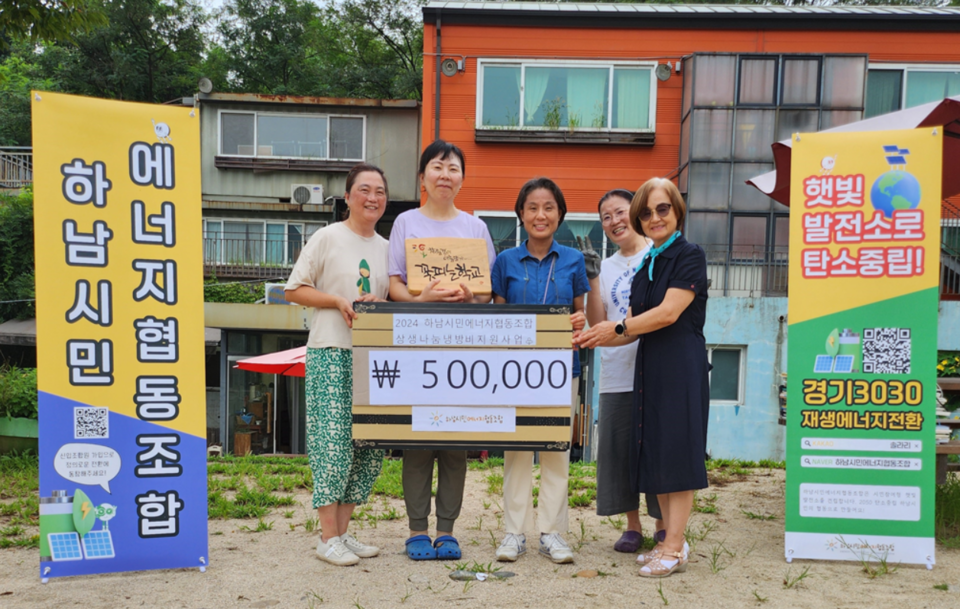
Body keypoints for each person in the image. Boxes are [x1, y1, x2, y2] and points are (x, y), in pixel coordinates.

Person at [575, 177, 709, 578]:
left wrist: (615, 328)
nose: (655, 217)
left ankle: (673, 544)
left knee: (677, 456)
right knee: (659, 456)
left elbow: (667, 313)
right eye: (647, 212)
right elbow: (630, 329)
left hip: (680, 367)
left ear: (677, 210)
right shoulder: (648, 265)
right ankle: (669, 544)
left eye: (662, 209)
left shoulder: (689, 254)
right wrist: (592, 336)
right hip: (650, 368)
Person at [388, 139, 496, 561]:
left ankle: (447, 530)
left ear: (462, 180)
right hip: (417, 347)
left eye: (453, 169)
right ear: (422, 177)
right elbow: (394, 284)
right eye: (437, 167)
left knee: (454, 443)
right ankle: (417, 530)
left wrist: (472, 296)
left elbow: (487, 294)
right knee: (417, 443)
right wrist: (421, 300)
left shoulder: (475, 228)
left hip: (462, 351)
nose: (445, 175)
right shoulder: (406, 223)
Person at [284, 163, 391, 566]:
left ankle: (343, 534)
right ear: (347, 197)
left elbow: (393, 297)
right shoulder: (328, 237)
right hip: (331, 349)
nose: (372, 197)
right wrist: (336, 300)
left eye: (379, 191)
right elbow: (294, 289)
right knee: (333, 444)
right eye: (364, 189)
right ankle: (327, 537)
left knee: (368, 447)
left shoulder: (387, 248)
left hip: (373, 356)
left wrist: (380, 304)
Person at [491, 177, 589, 564]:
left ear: (560, 214)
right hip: (514, 371)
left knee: (556, 450)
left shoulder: (574, 260)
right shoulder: (505, 261)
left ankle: (552, 533)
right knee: (516, 452)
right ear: (520, 213)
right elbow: (498, 316)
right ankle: (514, 533)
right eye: (532, 207)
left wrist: (579, 320)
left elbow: (580, 313)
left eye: (549, 207)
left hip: (562, 369)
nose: (540, 214)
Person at [581, 189, 664, 555]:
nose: (614, 221)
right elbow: (598, 324)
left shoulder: (658, 254)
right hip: (617, 372)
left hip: (657, 368)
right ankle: (632, 525)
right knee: (619, 451)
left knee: (658, 449)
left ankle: (663, 523)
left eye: (619, 212)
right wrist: (592, 279)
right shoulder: (608, 267)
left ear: (638, 212)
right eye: (606, 217)